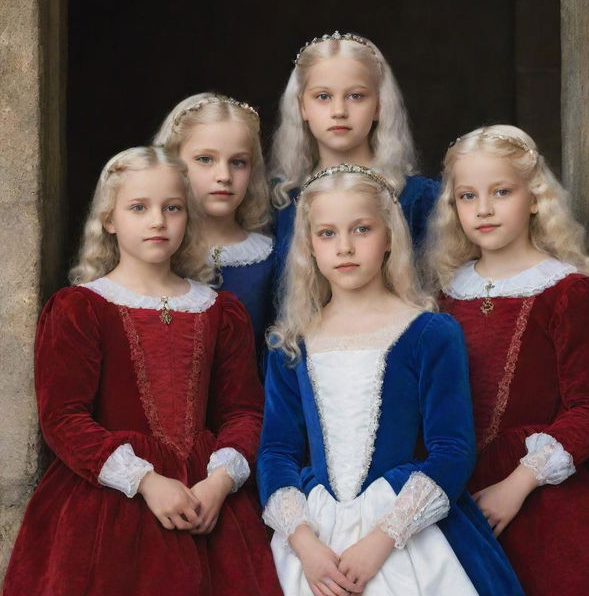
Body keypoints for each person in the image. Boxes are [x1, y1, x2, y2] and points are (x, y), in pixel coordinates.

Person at [2, 147, 282, 596]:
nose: (158, 221)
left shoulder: (219, 310)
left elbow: (244, 412)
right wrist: (146, 480)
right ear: (109, 219)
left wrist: (220, 482)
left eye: (172, 208)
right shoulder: (81, 308)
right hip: (110, 507)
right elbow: (64, 419)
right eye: (139, 207)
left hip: (208, 502)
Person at [258, 164, 523, 596]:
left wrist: (381, 541)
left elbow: (452, 450)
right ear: (309, 244)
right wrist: (304, 543)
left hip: (403, 528)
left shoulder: (429, 333)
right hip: (313, 535)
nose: (344, 247)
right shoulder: (291, 342)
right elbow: (276, 450)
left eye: (361, 229)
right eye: (327, 233)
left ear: (389, 237)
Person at [426, 124, 589, 595]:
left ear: (536, 196)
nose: (483, 208)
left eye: (501, 191)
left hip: (542, 493)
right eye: (467, 196)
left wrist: (518, 484)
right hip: (457, 486)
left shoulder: (568, 291)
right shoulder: (444, 296)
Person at [270, 31, 439, 281]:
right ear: (302, 106)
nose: (339, 111)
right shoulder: (282, 200)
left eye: (356, 96)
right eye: (323, 97)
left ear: (379, 105)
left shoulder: (417, 197)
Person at [155, 92, 274, 356]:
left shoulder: (269, 258)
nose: (224, 176)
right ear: (173, 163)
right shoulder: (153, 248)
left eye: (238, 162)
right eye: (205, 159)